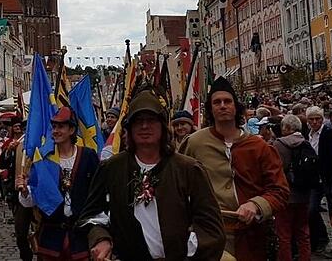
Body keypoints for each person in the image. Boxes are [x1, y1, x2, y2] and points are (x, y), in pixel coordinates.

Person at [78, 89, 225, 260]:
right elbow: (92, 215)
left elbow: (211, 229)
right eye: (138, 121)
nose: (145, 126)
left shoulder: (188, 169)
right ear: (129, 128)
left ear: (163, 126)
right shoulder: (111, 168)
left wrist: (184, 250)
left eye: (151, 120)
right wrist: (101, 238)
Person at [179, 76, 289, 260]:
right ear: (210, 109)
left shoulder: (258, 147)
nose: (222, 106)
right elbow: (179, 186)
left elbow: (280, 190)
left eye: (227, 101)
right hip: (208, 235)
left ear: (236, 107)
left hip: (251, 236)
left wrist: (256, 205)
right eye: (217, 102)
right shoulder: (194, 143)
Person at [16, 106, 99, 260]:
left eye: (61, 126)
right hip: (51, 238)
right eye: (53, 126)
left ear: (72, 130)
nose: (55, 131)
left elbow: (97, 194)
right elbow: (34, 200)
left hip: (80, 236)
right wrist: (26, 192)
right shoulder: (43, 159)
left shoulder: (88, 156)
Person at [271, 114, 313, 261]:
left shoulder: (279, 144)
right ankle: (305, 258)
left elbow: (275, 169)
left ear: (287, 127)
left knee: (284, 234)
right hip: (304, 193)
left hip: (285, 195)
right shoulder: (305, 142)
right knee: (303, 232)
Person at [304, 106, 332, 255]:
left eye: (317, 119)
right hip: (313, 179)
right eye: (311, 119)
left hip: (328, 177)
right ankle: (321, 237)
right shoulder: (307, 134)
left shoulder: (328, 133)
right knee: (311, 210)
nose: (314, 122)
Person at [0, 116, 33, 261]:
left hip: (36, 190)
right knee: (21, 231)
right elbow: (2, 164)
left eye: (21, 126)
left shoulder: (35, 142)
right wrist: (8, 151)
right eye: (16, 126)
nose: (18, 128)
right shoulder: (12, 144)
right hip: (19, 192)